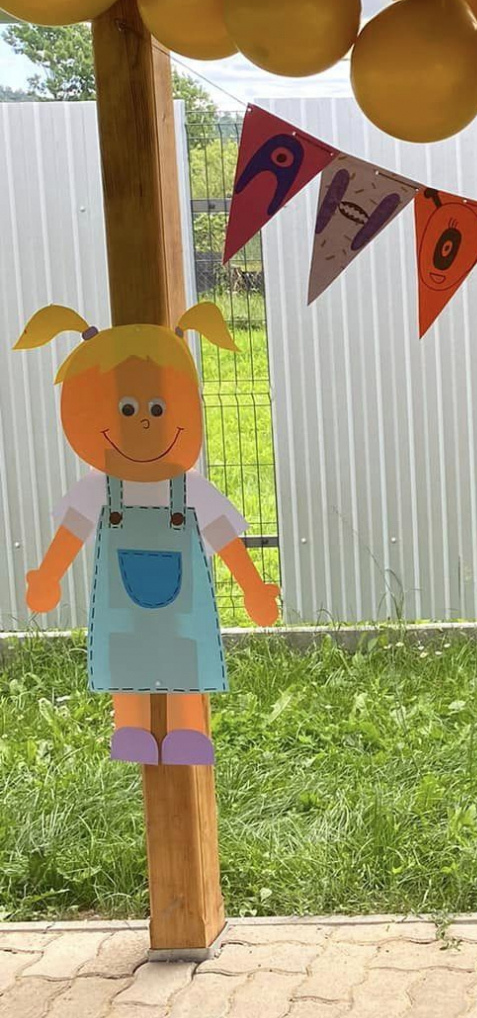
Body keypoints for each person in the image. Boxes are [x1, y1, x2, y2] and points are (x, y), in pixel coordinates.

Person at [16, 301, 280, 764]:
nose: (143, 420)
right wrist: (48, 576)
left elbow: (222, 535)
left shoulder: (191, 490)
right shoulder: (97, 490)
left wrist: (253, 586)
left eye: (157, 408)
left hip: (182, 607)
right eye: (127, 408)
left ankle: (188, 730)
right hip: (122, 608)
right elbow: (72, 532)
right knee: (126, 657)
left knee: (184, 657)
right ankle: (132, 727)